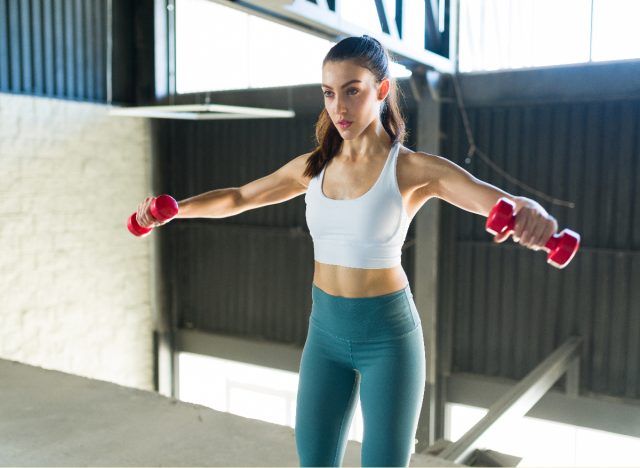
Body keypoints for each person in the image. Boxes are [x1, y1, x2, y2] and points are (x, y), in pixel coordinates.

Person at [135, 35, 558, 467]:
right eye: (329, 93)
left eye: (352, 90)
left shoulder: (412, 169)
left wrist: (534, 212)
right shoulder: (313, 167)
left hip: (389, 338)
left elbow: (494, 199)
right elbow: (240, 197)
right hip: (325, 333)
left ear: (381, 89)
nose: (339, 107)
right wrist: (173, 211)